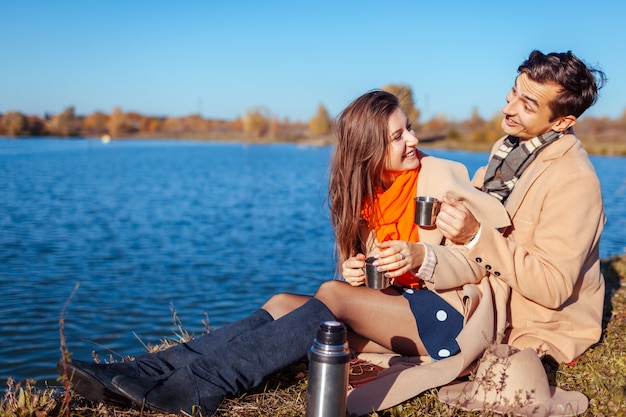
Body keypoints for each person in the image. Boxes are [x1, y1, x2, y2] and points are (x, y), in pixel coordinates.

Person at [58, 90, 510, 416]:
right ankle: (146, 369)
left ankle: (201, 387)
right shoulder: (367, 198)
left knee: (329, 296)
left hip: (448, 318)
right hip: (396, 314)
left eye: (407, 128)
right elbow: (372, 281)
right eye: (397, 136)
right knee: (280, 304)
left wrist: (421, 258)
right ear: (368, 150)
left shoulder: (442, 177)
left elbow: (479, 258)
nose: (412, 139)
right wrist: (360, 274)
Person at [346, 50, 607, 415]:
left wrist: (474, 235)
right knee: (333, 318)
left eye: (527, 104)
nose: (509, 108)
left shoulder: (575, 182)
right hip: (477, 295)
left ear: (562, 122)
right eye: (513, 92)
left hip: (521, 320)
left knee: (337, 313)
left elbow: (553, 287)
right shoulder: (508, 153)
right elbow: (473, 245)